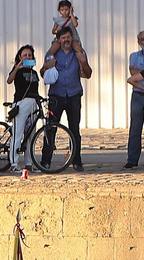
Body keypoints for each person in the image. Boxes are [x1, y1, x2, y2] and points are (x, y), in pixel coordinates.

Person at [41, 29, 91, 171]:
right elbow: (42, 73)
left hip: (74, 94)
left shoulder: (79, 52)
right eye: (63, 38)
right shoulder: (52, 54)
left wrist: (84, 62)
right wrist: (46, 67)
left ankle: (77, 161)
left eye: (69, 37)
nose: (66, 40)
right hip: (56, 95)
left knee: (74, 129)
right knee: (51, 129)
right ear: (59, 40)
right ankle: (45, 161)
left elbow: (88, 74)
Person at [6, 45, 43, 174]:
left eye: (29, 55)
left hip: (33, 103)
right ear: (20, 57)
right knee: (18, 133)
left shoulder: (34, 73)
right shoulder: (18, 71)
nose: (27, 57)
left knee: (31, 135)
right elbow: (9, 80)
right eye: (25, 55)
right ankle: (14, 163)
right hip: (21, 103)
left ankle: (29, 163)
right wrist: (17, 67)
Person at [125, 30, 144, 168]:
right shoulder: (133, 56)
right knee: (135, 129)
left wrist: (141, 73)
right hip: (137, 95)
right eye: (142, 39)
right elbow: (132, 72)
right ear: (138, 42)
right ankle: (132, 160)